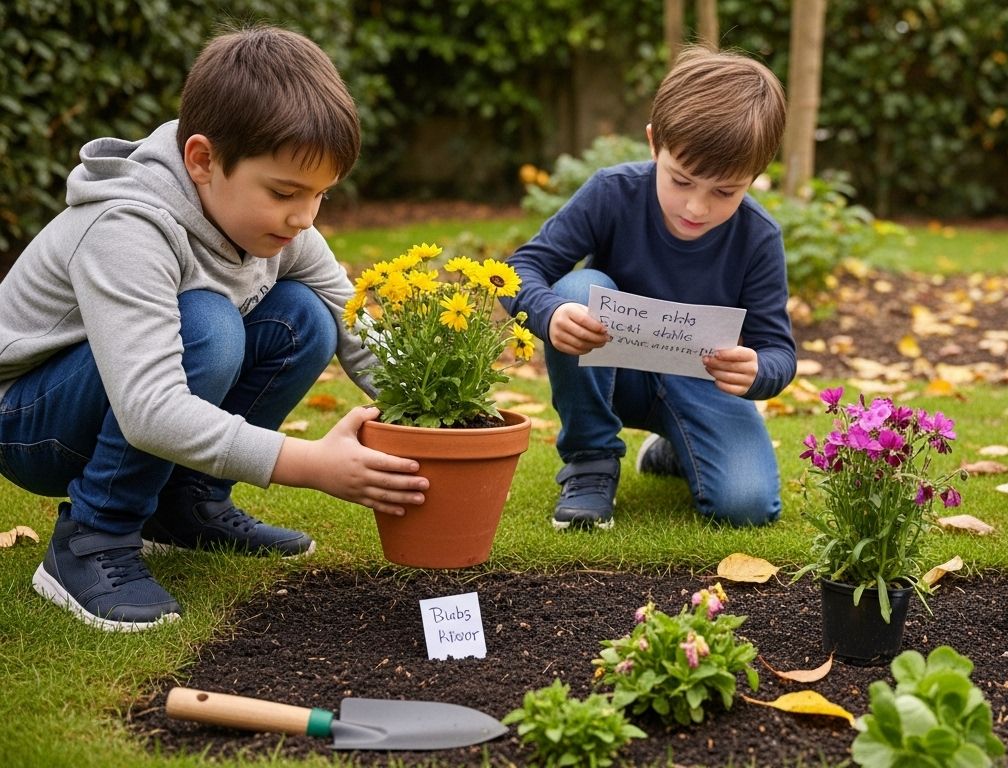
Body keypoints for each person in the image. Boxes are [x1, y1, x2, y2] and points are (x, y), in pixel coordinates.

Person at [0, 26, 429, 632]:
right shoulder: (127, 226)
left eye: (321, 196)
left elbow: (350, 318)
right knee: (206, 325)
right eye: (285, 192)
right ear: (203, 160)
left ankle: (185, 505)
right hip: (28, 423)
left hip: (116, 401)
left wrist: (437, 409)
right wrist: (311, 464)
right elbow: (149, 407)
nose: (304, 217)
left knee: (304, 317)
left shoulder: (285, 228)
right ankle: (93, 538)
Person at [504, 47, 793, 531]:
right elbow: (521, 269)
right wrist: (550, 314)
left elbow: (778, 350)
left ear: (755, 177)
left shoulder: (759, 236)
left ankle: (676, 449)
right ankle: (590, 462)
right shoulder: (611, 192)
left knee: (748, 506)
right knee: (579, 290)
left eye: (725, 191)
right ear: (654, 144)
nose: (696, 207)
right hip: (609, 372)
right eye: (681, 180)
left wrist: (759, 370)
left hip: (701, 383)